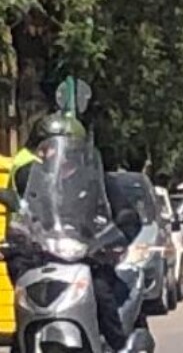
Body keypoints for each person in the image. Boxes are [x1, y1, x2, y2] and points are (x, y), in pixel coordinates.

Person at [5, 116, 143, 352]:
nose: (47, 153)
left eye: (51, 147)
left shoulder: (95, 180)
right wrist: (17, 240)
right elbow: (23, 215)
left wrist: (111, 239)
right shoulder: (31, 178)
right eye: (44, 147)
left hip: (88, 260)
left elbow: (127, 217)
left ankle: (116, 345)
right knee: (26, 303)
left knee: (101, 292)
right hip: (44, 261)